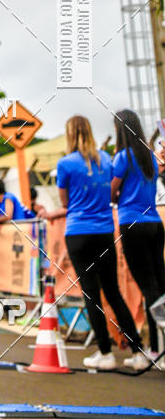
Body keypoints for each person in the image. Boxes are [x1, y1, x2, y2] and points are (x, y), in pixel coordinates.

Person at [47, 115, 146, 370]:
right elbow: (112, 192)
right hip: (104, 231)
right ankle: (138, 352)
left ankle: (105, 353)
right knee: (113, 292)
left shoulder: (65, 163)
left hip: (78, 232)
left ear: (70, 134)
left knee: (91, 294)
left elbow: (65, 202)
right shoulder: (106, 159)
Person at [111, 109, 165, 366]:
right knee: (159, 285)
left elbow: (111, 190)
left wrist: (117, 194)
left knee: (148, 288)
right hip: (154, 223)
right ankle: (156, 347)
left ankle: (158, 349)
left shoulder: (123, 157)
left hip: (132, 223)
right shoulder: (150, 157)